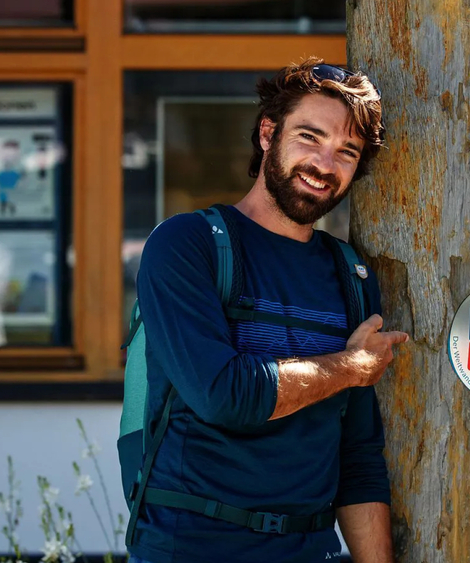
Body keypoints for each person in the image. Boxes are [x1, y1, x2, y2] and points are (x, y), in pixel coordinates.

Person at [127, 59, 409, 563]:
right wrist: (349, 367)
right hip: (190, 546)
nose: (325, 164)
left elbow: (358, 456)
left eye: (347, 151)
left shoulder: (350, 275)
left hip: (310, 548)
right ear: (267, 133)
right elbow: (224, 395)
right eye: (310, 136)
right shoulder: (188, 245)